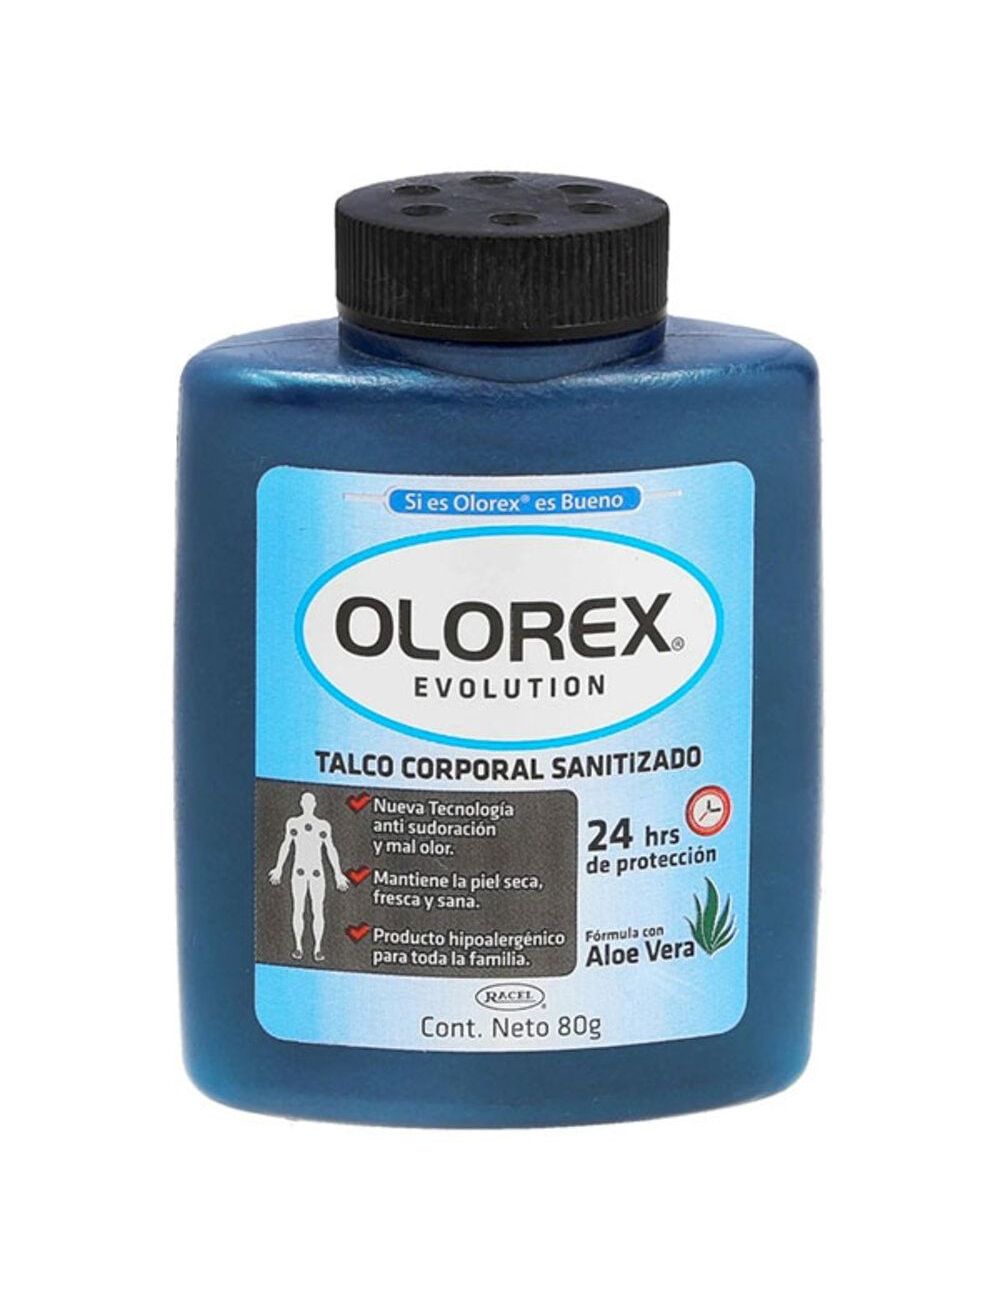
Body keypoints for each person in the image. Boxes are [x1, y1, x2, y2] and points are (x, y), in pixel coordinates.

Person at [268, 792, 348, 960]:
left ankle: (317, 948)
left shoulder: (322, 825)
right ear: (301, 804)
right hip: (299, 870)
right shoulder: (293, 823)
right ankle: (298, 947)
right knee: (298, 909)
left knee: (317, 910)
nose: (308, 805)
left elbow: (330, 849)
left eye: (310, 802)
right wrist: (279, 868)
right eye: (306, 802)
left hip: (316, 871)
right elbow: (286, 845)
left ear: (315, 804)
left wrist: (338, 874)